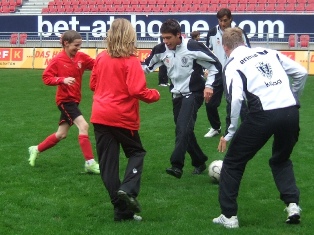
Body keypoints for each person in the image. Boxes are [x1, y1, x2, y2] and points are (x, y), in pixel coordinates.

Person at [213, 27, 307, 228]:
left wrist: (229, 132)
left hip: (263, 115)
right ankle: (292, 205)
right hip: (290, 111)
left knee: (233, 162)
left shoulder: (232, 64)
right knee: (281, 159)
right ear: (244, 41)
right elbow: (301, 72)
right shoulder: (269, 52)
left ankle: (229, 216)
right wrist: (293, 97)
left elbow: (236, 99)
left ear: (225, 47)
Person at [89, 18, 160, 222]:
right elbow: (137, 90)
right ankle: (128, 189)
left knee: (108, 165)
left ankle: (122, 211)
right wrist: (154, 94)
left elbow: (93, 85)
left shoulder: (101, 57)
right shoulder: (130, 61)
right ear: (130, 36)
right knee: (136, 152)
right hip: (121, 116)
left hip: (100, 115)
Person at [143, 19, 222, 178]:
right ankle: (199, 160)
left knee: (183, 128)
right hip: (176, 95)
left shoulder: (192, 46)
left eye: (168, 38)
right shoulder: (161, 49)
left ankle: (176, 165)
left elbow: (215, 66)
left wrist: (209, 86)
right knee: (184, 129)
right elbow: (146, 67)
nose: (165, 42)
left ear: (178, 35)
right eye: (163, 38)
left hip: (194, 93)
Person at [28, 30, 100, 174]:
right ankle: (90, 162)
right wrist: (62, 80)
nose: (79, 48)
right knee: (84, 126)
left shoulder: (81, 57)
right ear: (66, 44)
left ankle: (36, 149)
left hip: (75, 99)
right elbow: (46, 77)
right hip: (65, 100)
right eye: (76, 45)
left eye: (80, 45)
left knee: (61, 134)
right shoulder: (57, 60)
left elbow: (97, 66)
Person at [204, 8, 250, 138]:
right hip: (218, 72)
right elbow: (207, 53)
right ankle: (215, 127)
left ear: (230, 19)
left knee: (237, 103)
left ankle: (246, 129)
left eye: (225, 20)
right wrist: (206, 68)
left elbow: (247, 49)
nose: (222, 23)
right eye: (220, 20)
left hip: (235, 72)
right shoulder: (212, 32)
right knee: (210, 103)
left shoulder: (239, 32)